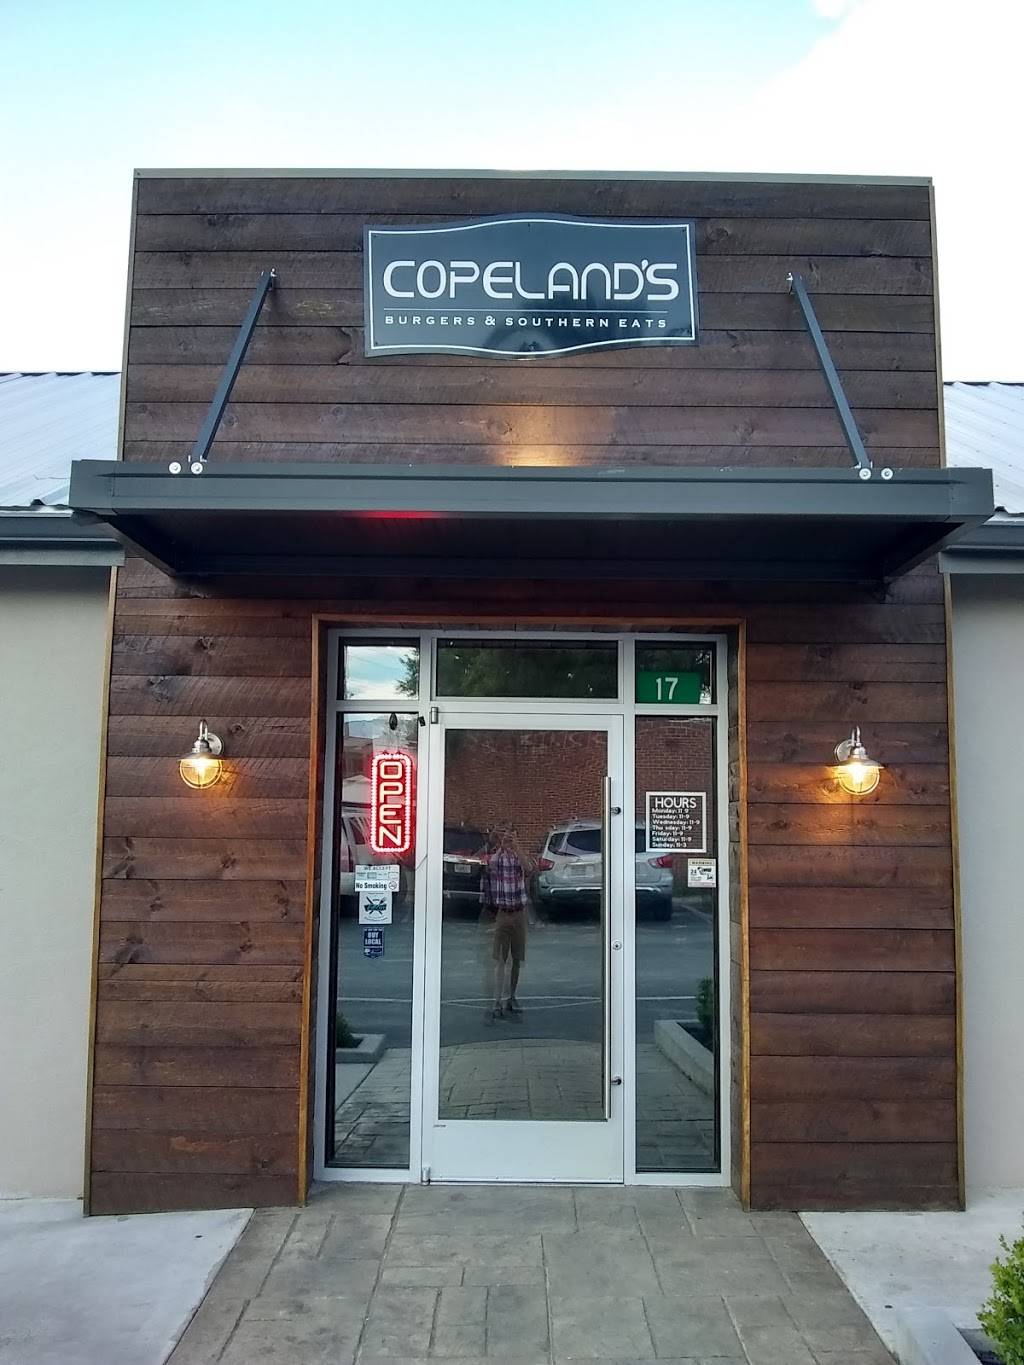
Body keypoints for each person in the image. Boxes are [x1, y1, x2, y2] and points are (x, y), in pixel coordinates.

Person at [480, 825, 536, 1020]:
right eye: (506, 836)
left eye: (512, 836)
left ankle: (511, 997)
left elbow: (528, 868)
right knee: (500, 960)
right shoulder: (498, 857)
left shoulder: (519, 857)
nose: (509, 839)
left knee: (517, 959)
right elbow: (490, 866)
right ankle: (497, 1000)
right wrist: (502, 847)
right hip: (503, 913)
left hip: (519, 913)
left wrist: (517, 846)